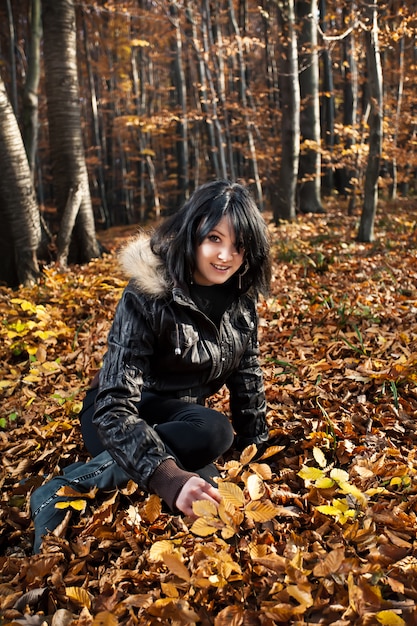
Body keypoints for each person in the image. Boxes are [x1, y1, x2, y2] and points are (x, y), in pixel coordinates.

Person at [30, 179, 271, 553]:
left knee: (212, 442)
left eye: (239, 246)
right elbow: (113, 405)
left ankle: (155, 460)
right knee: (206, 447)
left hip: (178, 415)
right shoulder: (146, 294)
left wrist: (257, 451)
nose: (226, 256)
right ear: (192, 234)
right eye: (214, 239)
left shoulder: (240, 298)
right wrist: (169, 476)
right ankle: (65, 487)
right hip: (115, 412)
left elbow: (247, 375)